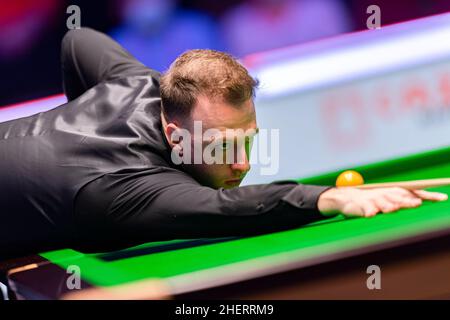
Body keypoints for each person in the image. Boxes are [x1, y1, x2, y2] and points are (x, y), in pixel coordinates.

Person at [0, 28, 446, 259]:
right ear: (174, 134)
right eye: (219, 147)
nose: (242, 164)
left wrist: (82, 115)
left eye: (247, 141)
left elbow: (78, 41)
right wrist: (327, 197)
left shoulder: (140, 83)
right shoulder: (121, 188)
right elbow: (225, 209)